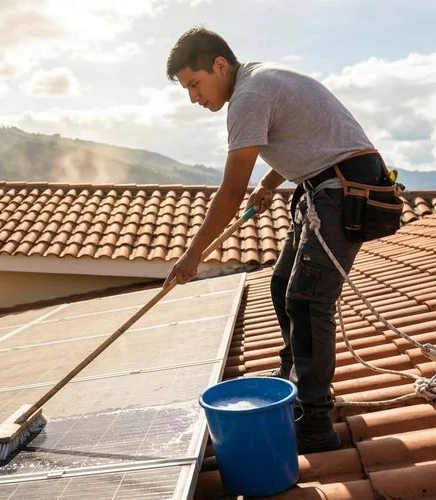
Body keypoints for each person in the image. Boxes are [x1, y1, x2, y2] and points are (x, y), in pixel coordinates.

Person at [164, 27, 392, 454]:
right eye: (186, 90)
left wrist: (191, 256)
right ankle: (294, 379)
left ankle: (315, 421)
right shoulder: (260, 79)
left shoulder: (249, 96)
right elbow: (308, 137)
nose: (193, 98)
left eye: (194, 84)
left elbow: (230, 192)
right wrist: (271, 181)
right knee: (280, 282)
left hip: (344, 190)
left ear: (219, 65)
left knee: (307, 301)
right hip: (327, 184)